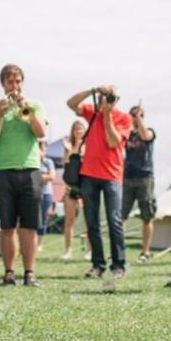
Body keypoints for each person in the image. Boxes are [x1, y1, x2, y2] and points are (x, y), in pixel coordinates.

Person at [0, 63, 47, 286]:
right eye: (10, 81)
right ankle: (9, 272)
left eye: (18, 81)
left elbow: (41, 133)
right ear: (3, 84)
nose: (15, 85)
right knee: (7, 225)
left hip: (30, 170)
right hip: (4, 171)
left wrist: (28, 111)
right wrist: (0, 115)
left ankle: (30, 272)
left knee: (29, 226)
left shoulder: (34, 105)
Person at [67, 85, 134, 279]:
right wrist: (93, 90)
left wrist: (107, 114)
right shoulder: (92, 111)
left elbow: (113, 141)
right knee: (92, 222)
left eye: (112, 97)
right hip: (89, 174)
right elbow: (71, 103)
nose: (109, 100)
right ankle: (98, 265)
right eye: (106, 96)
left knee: (114, 221)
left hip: (112, 176)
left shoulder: (124, 118)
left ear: (118, 100)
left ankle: (118, 266)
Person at [121, 103, 156, 263]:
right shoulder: (126, 133)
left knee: (147, 216)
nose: (135, 118)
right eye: (133, 116)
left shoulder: (150, 131)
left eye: (138, 116)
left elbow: (146, 136)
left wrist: (139, 119)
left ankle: (145, 252)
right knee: (121, 216)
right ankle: (119, 251)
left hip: (145, 178)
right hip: (127, 177)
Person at [60, 119, 86, 260]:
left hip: (85, 185)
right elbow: (64, 163)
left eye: (80, 128)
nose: (78, 131)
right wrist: (69, 150)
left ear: (84, 130)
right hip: (71, 186)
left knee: (88, 219)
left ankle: (90, 250)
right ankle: (68, 250)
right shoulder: (68, 146)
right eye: (76, 129)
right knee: (69, 221)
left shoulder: (87, 145)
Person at [37, 140, 55, 251]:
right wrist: (44, 176)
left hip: (46, 194)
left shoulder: (48, 162)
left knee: (42, 218)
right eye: (39, 147)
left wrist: (36, 177)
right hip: (32, 193)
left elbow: (52, 177)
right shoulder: (31, 162)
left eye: (43, 148)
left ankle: (39, 244)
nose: (41, 150)